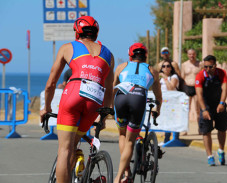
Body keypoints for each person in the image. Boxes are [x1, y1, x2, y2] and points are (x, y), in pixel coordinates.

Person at [40, 16, 114, 183]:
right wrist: (105, 117)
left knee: (64, 150)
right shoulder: (109, 54)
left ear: (77, 32)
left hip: (73, 94)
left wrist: (47, 107)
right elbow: (110, 90)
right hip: (95, 101)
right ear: (96, 33)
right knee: (74, 144)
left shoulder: (68, 48)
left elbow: (51, 83)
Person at [113, 43, 162, 183]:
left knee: (122, 135)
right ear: (145, 56)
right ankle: (119, 177)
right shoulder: (152, 70)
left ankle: (126, 172)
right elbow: (158, 96)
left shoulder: (121, 67)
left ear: (130, 55)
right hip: (139, 98)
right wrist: (157, 109)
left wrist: (110, 108)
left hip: (121, 97)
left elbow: (113, 89)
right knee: (130, 141)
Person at [195, 55, 227, 166]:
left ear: (215, 65)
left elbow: (225, 89)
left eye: (210, 67)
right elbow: (199, 95)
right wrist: (204, 110)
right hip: (206, 105)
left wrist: (222, 103)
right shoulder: (200, 76)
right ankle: (210, 155)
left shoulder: (221, 73)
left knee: (222, 129)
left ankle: (221, 150)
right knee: (206, 130)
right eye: (205, 67)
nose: (208, 69)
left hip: (219, 104)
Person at [181, 49, 203, 135]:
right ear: (187, 55)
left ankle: (200, 129)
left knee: (198, 110)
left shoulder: (200, 64)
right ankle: (185, 130)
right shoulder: (184, 65)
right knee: (186, 110)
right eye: (190, 54)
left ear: (196, 54)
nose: (191, 56)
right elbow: (182, 77)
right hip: (187, 87)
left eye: (193, 54)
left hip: (196, 87)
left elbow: (202, 76)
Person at [159, 61, 179, 144]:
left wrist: (165, 78)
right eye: (163, 66)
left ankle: (174, 139)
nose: (166, 68)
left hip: (173, 102)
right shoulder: (160, 79)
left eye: (168, 66)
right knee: (165, 120)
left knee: (173, 120)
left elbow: (171, 88)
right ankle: (166, 139)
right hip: (164, 102)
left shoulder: (174, 77)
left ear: (171, 68)